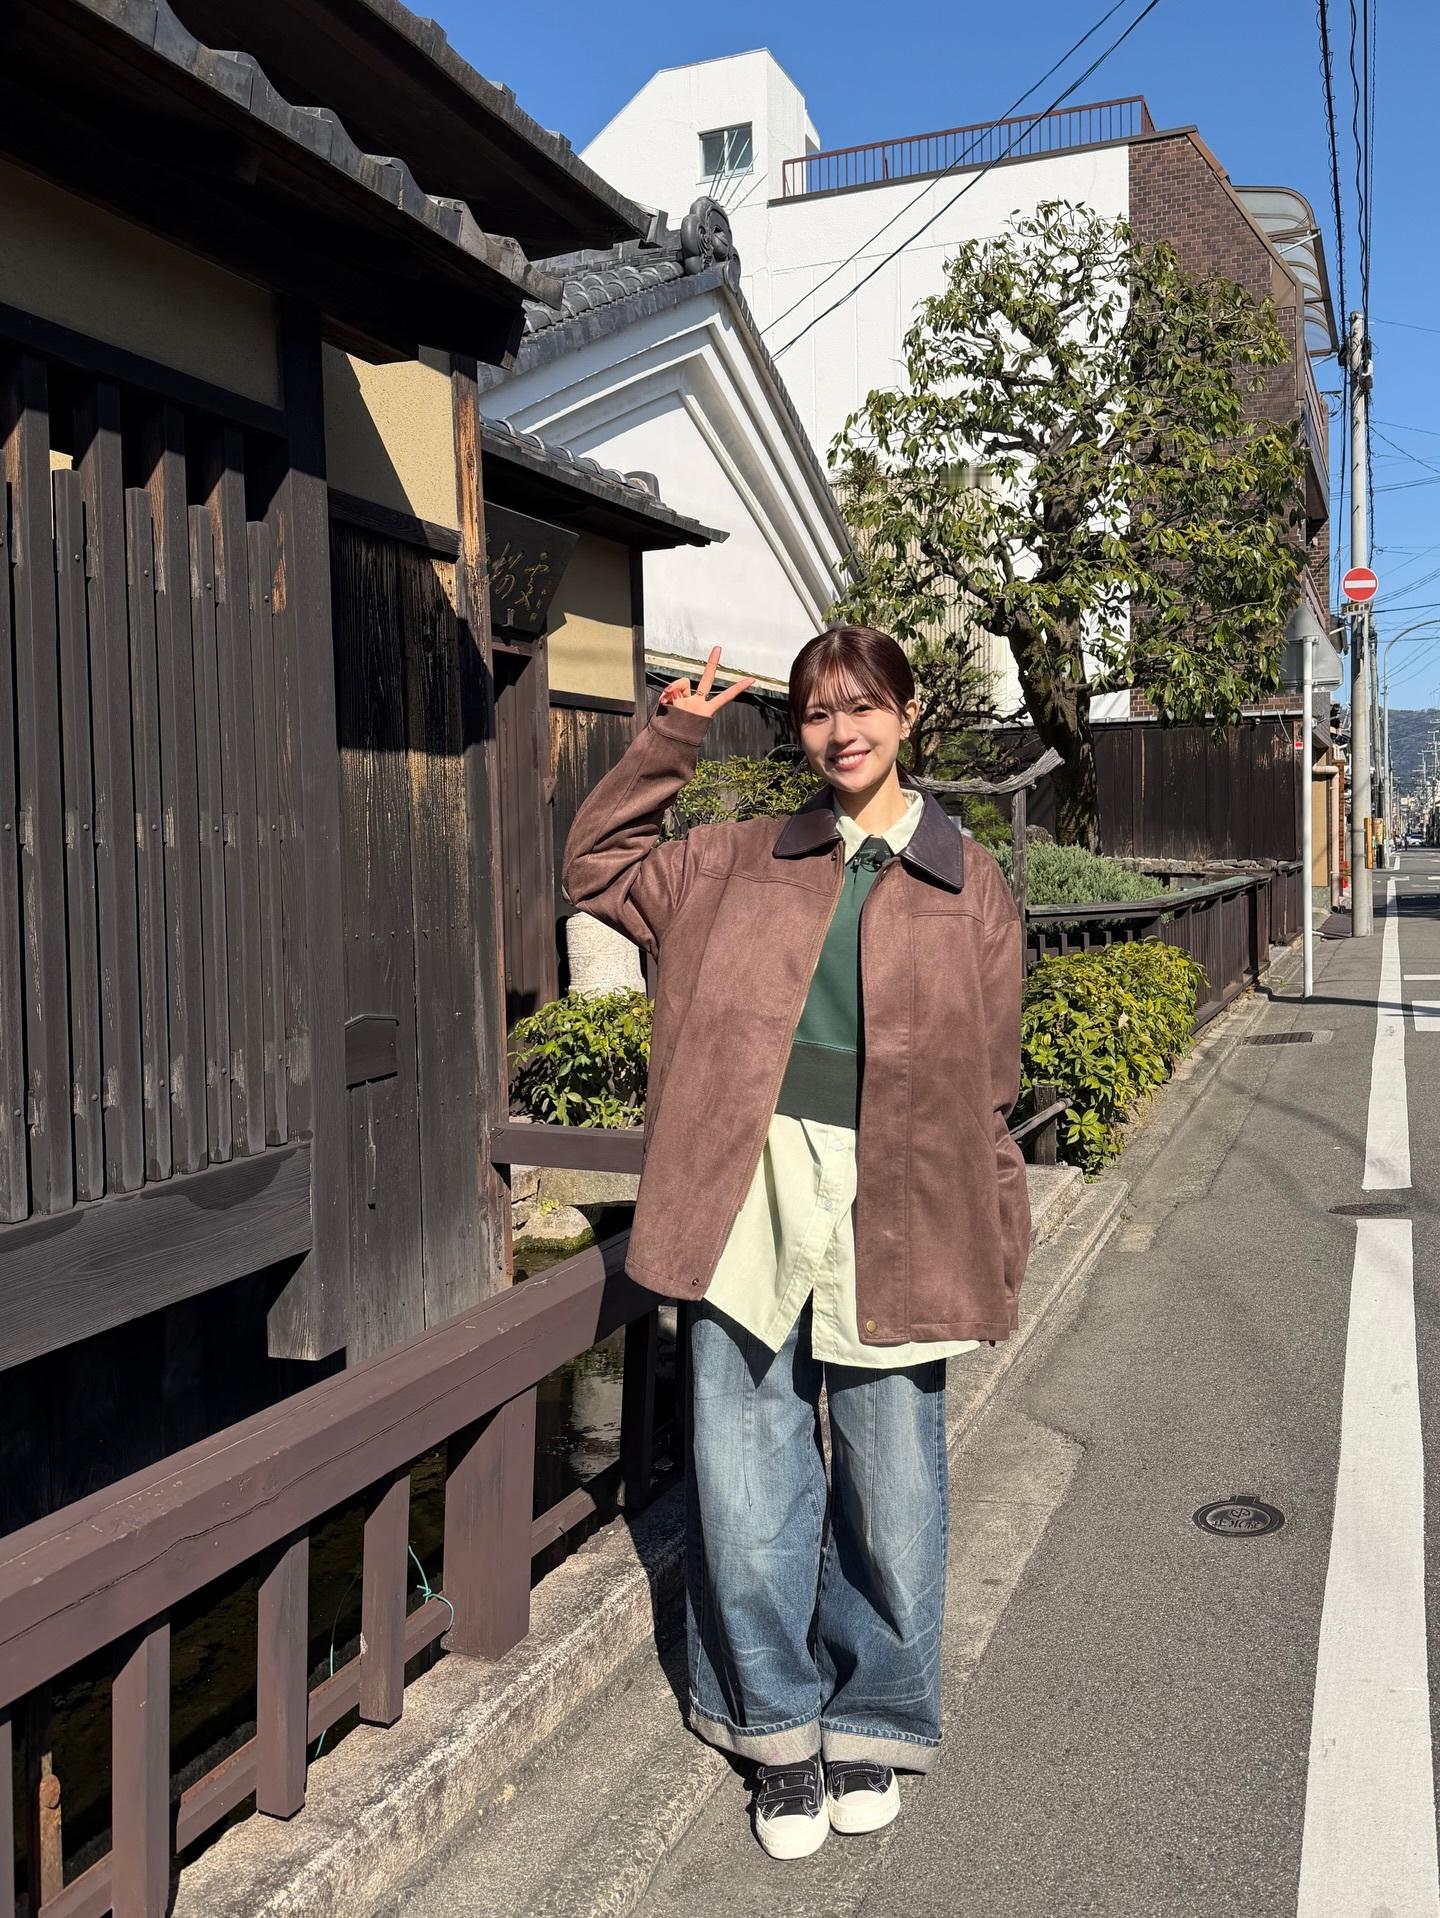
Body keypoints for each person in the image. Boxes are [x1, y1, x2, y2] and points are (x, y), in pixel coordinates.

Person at [562, 626, 1029, 1860]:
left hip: (903, 1198)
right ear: (800, 731)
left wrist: (1000, 1233)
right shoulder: (733, 859)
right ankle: (774, 1727)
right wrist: (671, 734)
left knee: (895, 1482)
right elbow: (596, 862)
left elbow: (991, 1078)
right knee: (751, 1473)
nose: (843, 731)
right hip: (752, 1187)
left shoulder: (965, 878)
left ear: (910, 713)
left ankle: (875, 1711)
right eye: (820, 712)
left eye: (864, 706)